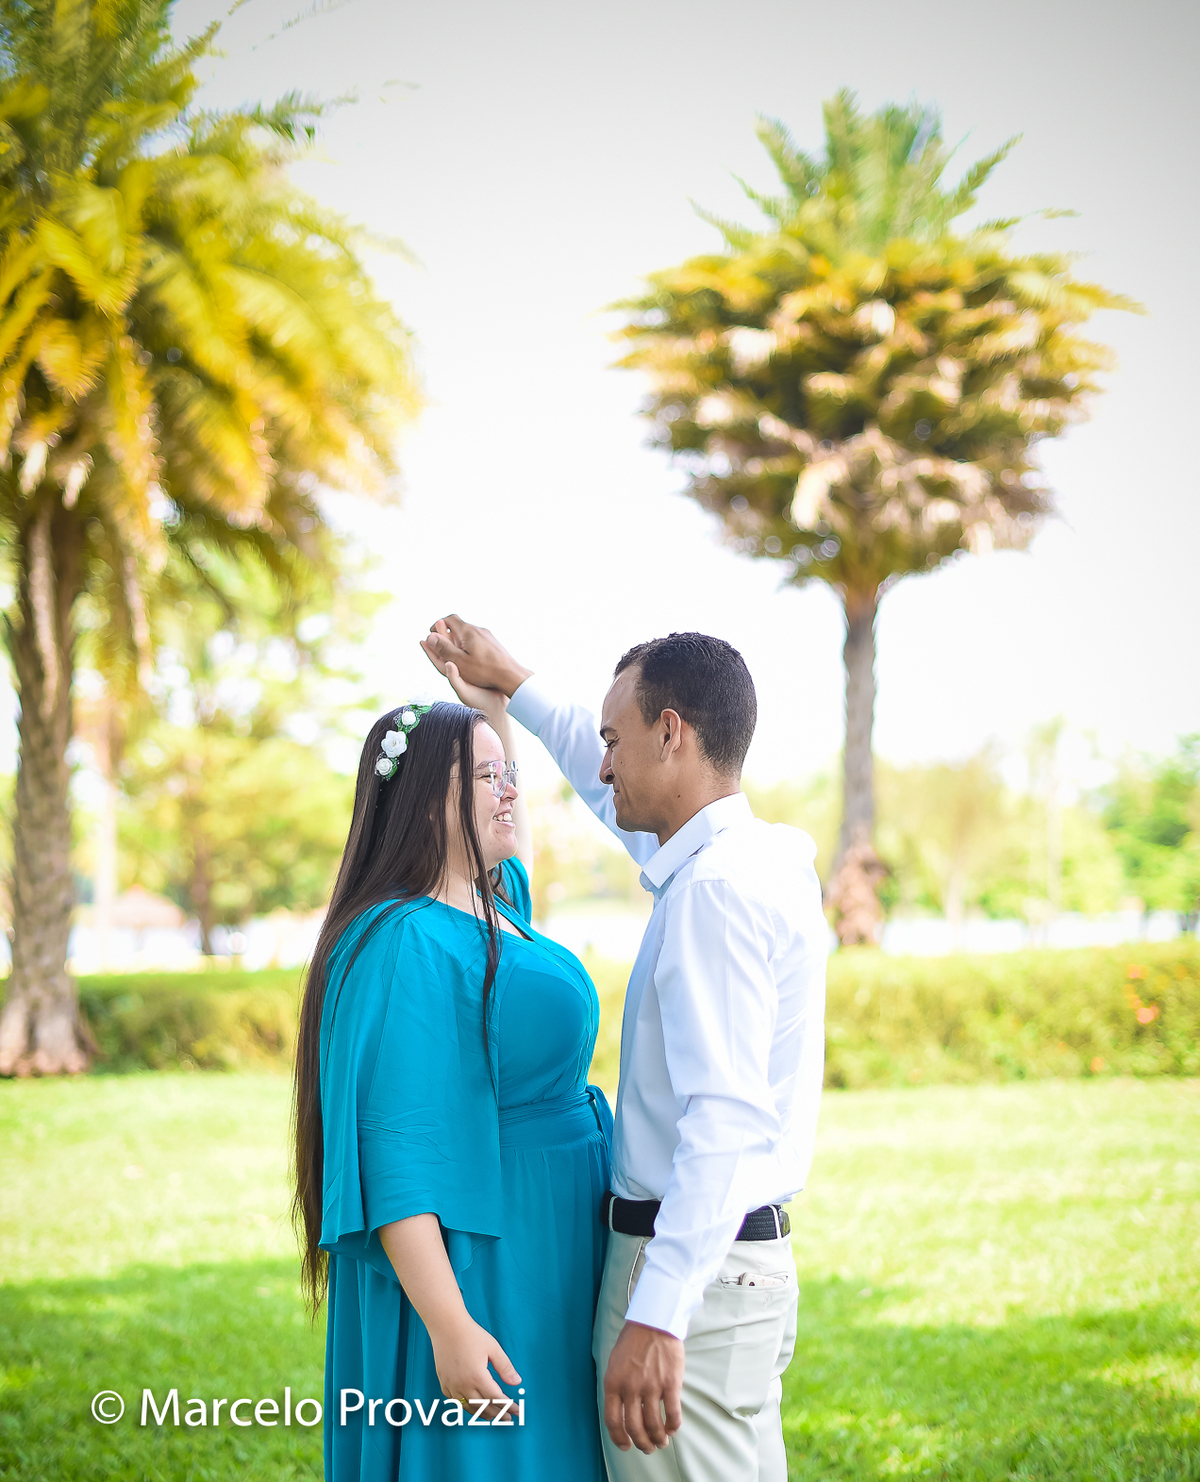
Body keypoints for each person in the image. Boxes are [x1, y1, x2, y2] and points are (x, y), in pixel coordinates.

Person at [420, 616, 828, 1482]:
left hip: (687, 1275)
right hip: (741, 1270)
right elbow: (611, 789)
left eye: (616, 742)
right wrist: (513, 686)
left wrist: (658, 1314)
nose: (603, 769)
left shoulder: (714, 893)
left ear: (670, 733)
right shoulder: (760, 858)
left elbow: (724, 1122)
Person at [292, 688, 612, 1482]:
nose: (510, 791)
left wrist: (493, 707)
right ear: (427, 799)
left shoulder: (493, 903)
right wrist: (449, 1324)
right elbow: (395, 1150)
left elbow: (510, 832)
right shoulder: (403, 938)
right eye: (486, 778)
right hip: (483, 1255)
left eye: (510, 776)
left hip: (553, 1243)